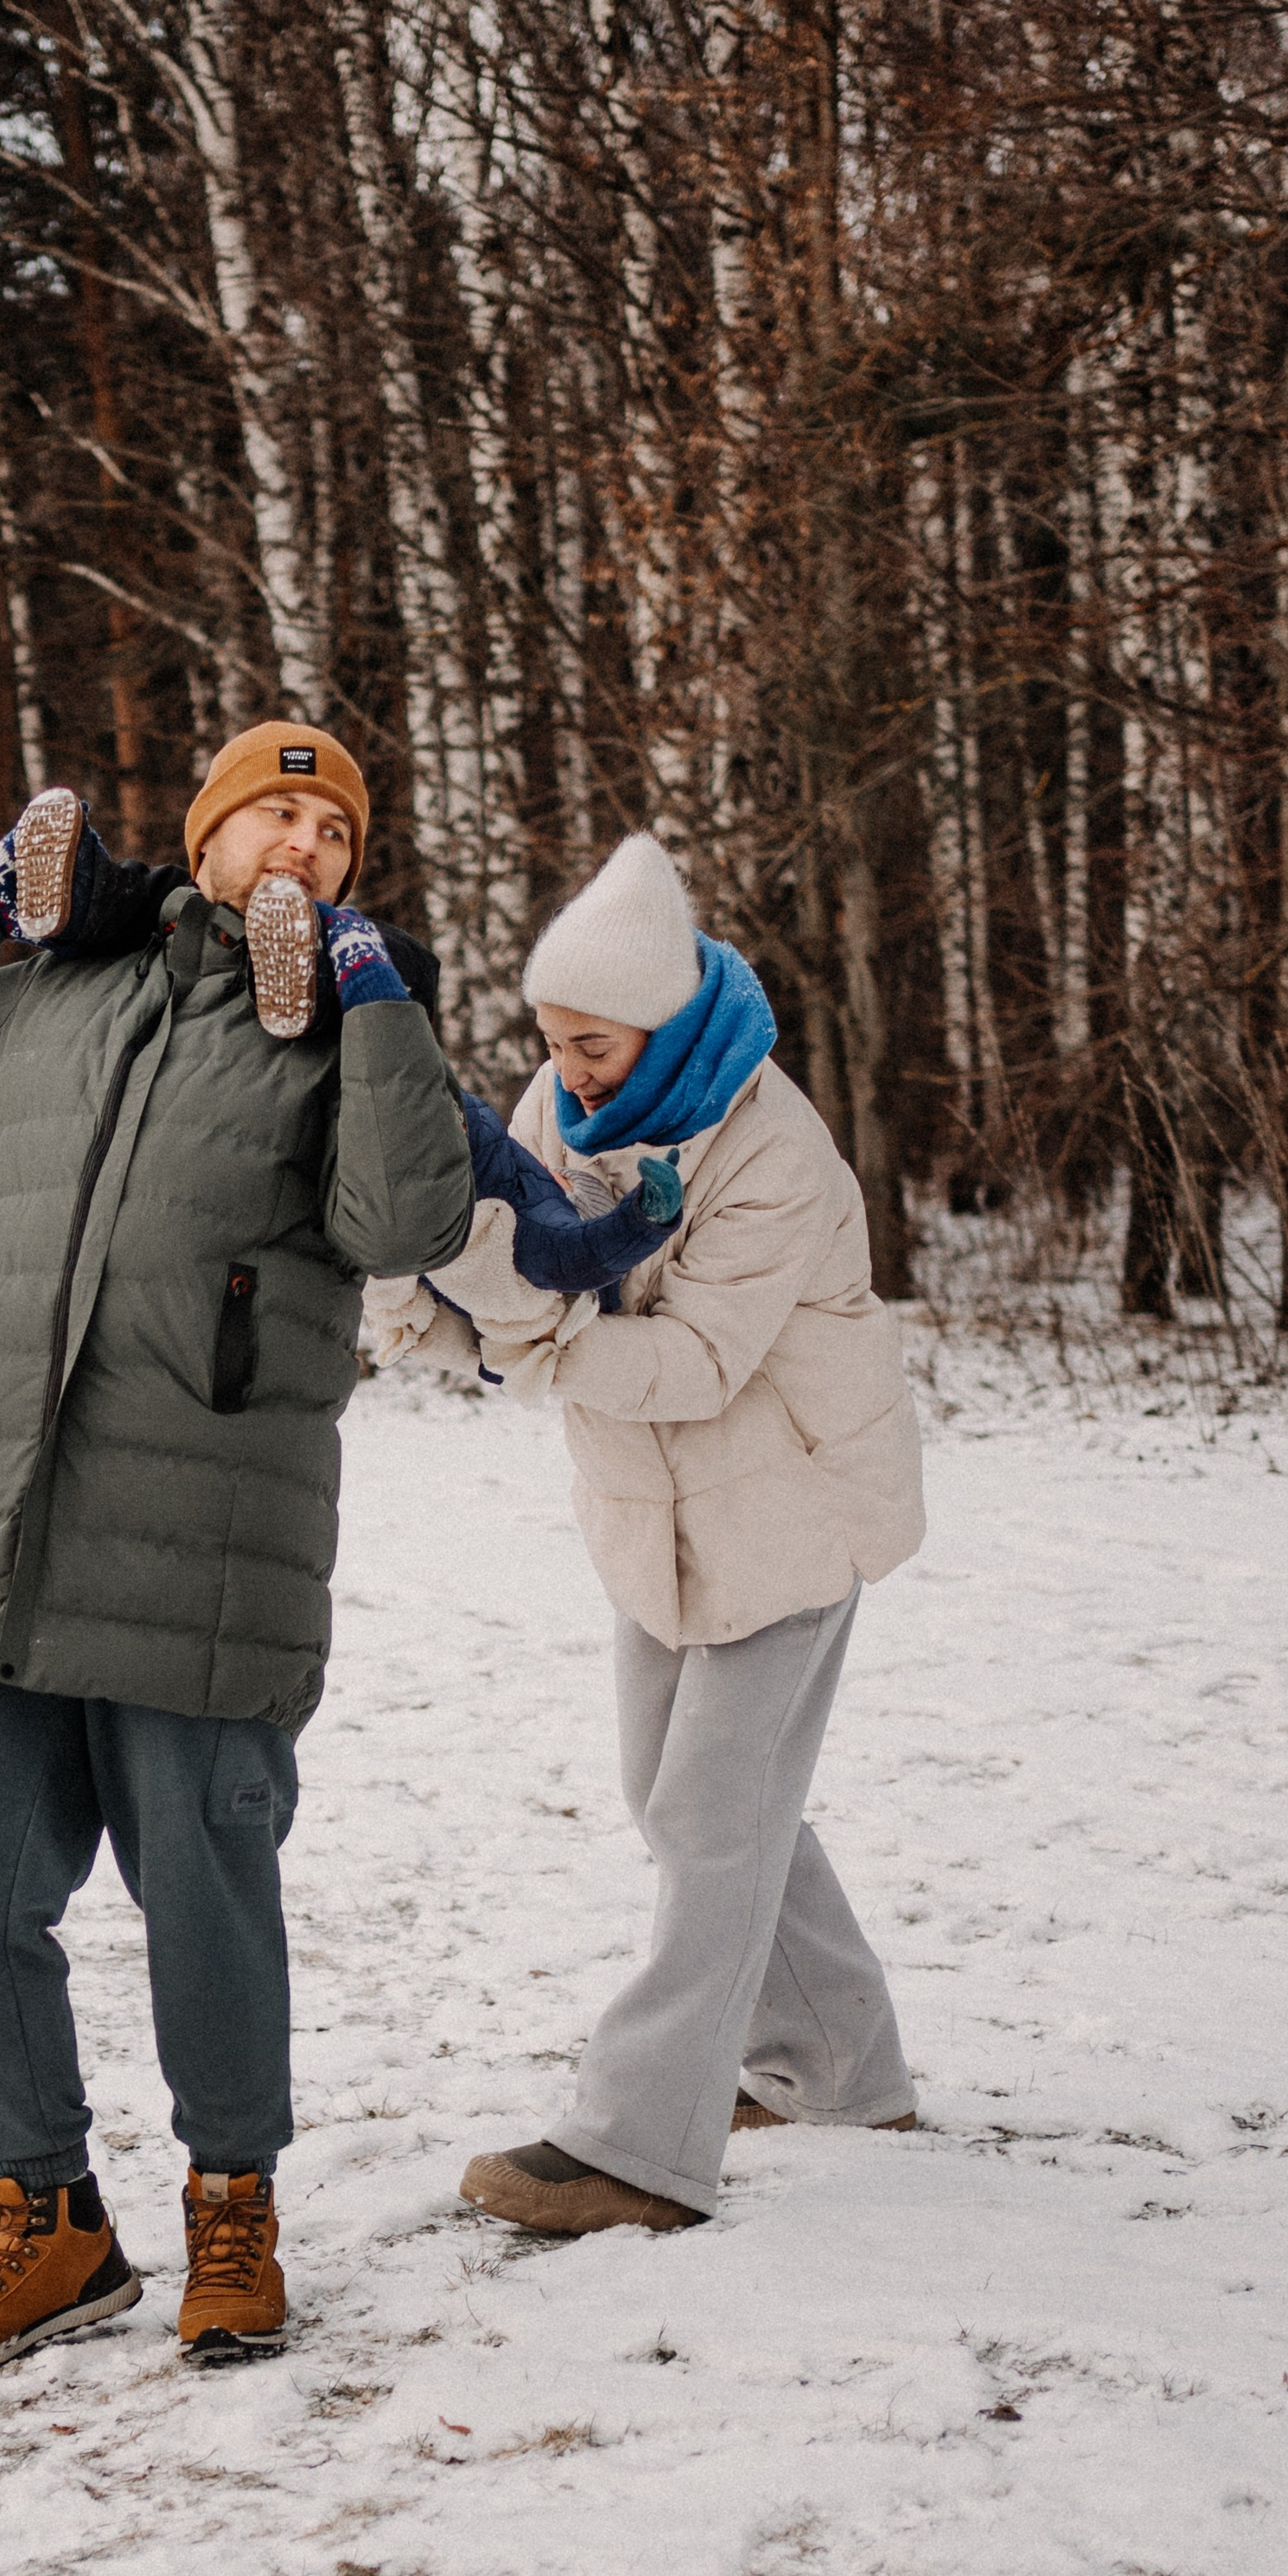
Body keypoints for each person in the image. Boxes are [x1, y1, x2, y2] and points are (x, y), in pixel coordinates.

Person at [0, 723, 473, 2372]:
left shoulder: (344, 1033)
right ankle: (51, 2221)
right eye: (273, 815)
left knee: (205, 1893)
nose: (301, 841)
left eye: (332, 828)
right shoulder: (52, 991)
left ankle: (231, 2208)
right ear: (209, 835)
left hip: (209, 1526)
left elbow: (407, 1226)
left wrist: (375, 1003)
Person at [366, 831, 927, 2234]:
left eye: (594, 1042)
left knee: (711, 1817)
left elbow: (692, 1365)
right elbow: (502, 1275)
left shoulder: (771, 1146)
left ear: (666, 1022)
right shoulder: (565, 1107)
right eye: (551, 1041)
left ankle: (638, 2146)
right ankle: (844, 2070)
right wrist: (405, 1291)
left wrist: (528, 1337)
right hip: (655, 1519)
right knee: (684, 1800)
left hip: (789, 1506)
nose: (566, 1068)